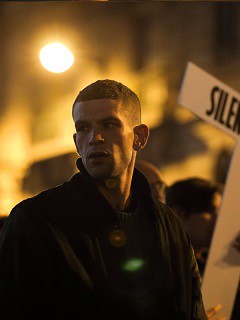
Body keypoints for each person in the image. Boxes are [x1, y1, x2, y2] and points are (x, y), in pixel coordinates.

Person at [0, 80, 207, 319]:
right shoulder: (34, 222)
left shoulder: (169, 225)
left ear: (139, 137)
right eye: (83, 128)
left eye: (109, 125)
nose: (94, 137)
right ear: (76, 142)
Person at [165, 177, 223, 276]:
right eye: (209, 211)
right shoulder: (166, 268)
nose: (217, 219)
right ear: (178, 214)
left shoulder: (211, 266)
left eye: (218, 212)